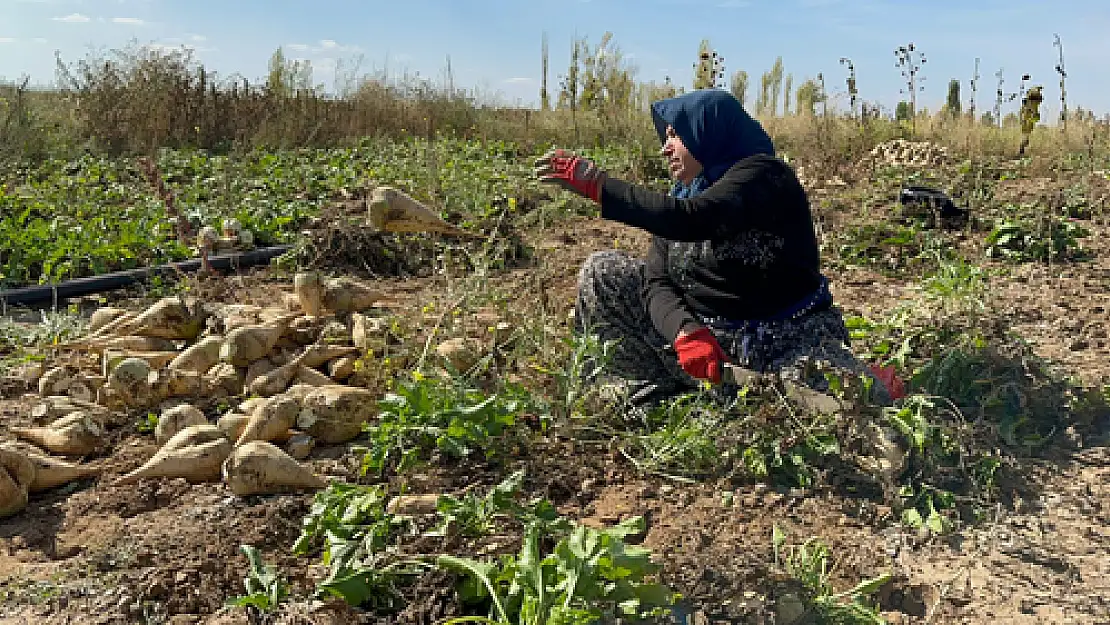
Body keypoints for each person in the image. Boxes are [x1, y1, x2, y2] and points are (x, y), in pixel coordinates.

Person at [533, 88, 898, 408]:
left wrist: (601, 187)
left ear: (707, 130)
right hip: (710, 350)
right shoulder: (683, 195)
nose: (665, 148)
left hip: (784, 341)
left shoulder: (765, 176)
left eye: (676, 135)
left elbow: (695, 218)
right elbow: (656, 281)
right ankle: (645, 394)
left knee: (852, 405)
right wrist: (684, 330)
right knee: (603, 272)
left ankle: (864, 382)